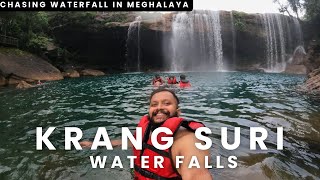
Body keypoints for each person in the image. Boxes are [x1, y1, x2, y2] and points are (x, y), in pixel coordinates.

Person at [81, 88, 212, 180]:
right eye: (154, 104)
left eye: (167, 103)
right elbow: (130, 143)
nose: (159, 107)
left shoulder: (189, 141)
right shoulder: (149, 131)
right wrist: (95, 143)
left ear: (178, 112)